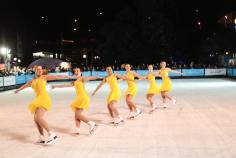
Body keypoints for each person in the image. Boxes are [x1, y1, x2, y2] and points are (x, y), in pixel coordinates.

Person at [14, 65, 70, 145]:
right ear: (35, 70)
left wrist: (66, 76)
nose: (40, 70)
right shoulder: (33, 80)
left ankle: (52, 134)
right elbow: (25, 85)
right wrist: (18, 90)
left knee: (39, 117)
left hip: (44, 98)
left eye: (41, 69)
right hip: (38, 99)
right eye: (38, 69)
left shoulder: (44, 77)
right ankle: (41, 137)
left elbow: (56, 76)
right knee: (36, 119)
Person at [51, 68, 100, 135]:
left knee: (78, 114)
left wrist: (98, 77)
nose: (76, 72)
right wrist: (55, 86)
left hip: (83, 98)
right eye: (75, 71)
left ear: (80, 72)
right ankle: (77, 130)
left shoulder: (82, 79)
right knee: (76, 115)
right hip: (79, 98)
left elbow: (90, 78)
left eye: (78, 71)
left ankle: (92, 124)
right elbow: (65, 85)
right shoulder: (75, 82)